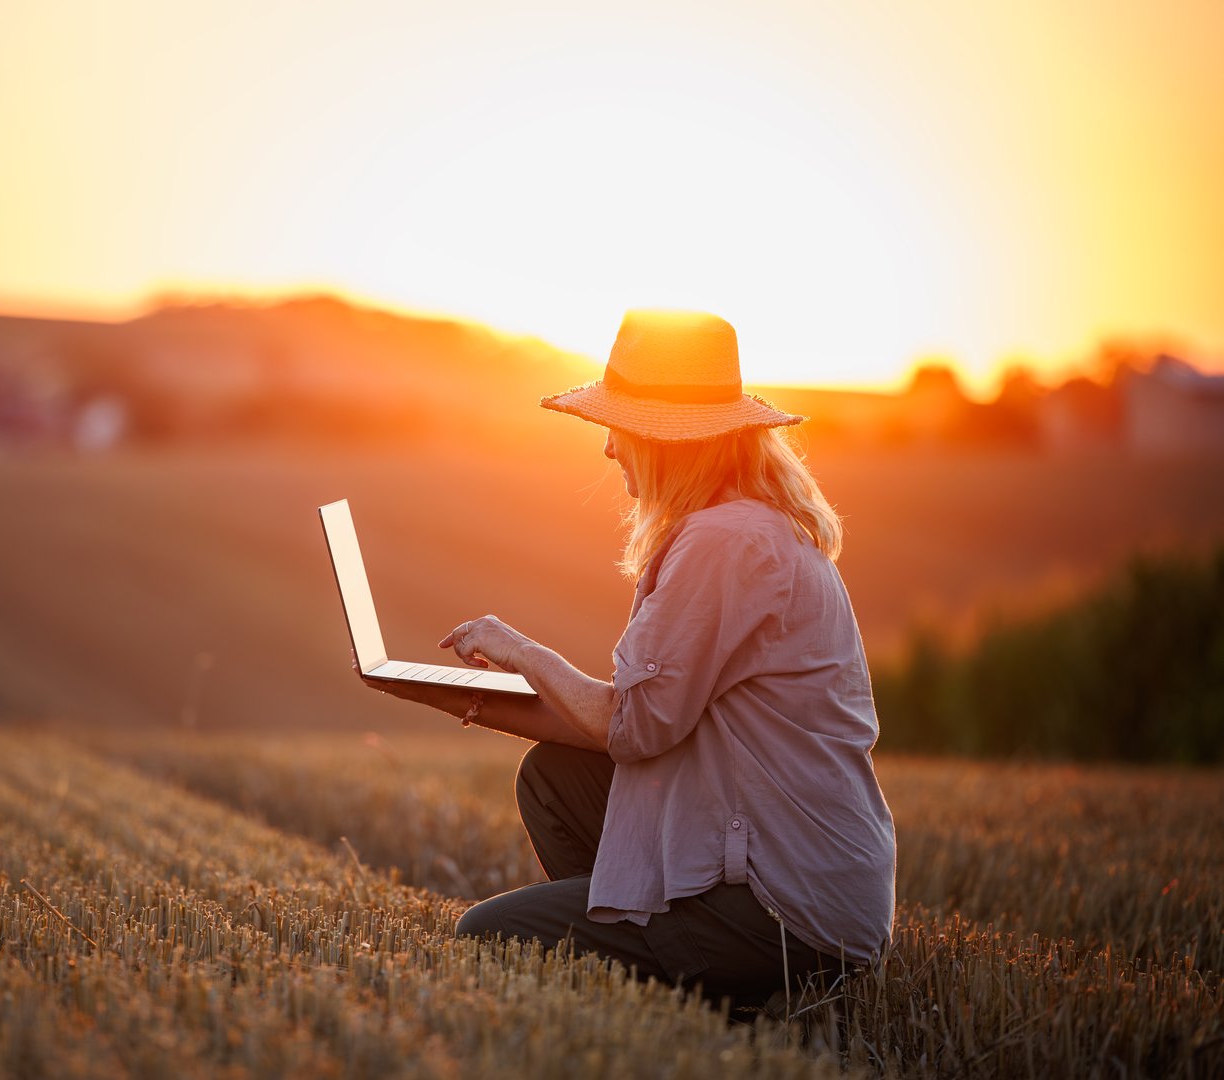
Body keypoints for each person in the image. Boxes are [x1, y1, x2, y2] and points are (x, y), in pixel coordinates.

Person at [365, 310, 896, 1011]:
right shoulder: (743, 528)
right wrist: (463, 699)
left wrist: (522, 651)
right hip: (812, 887)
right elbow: (638, 722)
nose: (609, 449)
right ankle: (665, 970)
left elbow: (632, 728)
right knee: (555, 780)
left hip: (788, 912)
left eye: (618, 428)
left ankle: (689, 991)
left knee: (490, 934)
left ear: (663, 440)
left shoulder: (724, 543)